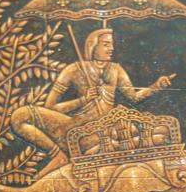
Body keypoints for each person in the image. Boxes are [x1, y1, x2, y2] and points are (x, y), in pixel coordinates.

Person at [9, 28, 174, 167]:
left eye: (112, 45)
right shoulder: (73, 69)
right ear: (92, 45)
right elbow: (50, 107)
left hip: (103, 131)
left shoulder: (116, 69)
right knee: (20, 116)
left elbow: (134, 97)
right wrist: (83, 100)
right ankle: (57, 155)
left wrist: (155, 87)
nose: (111, 49)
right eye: (106, 44)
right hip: (75, 128)